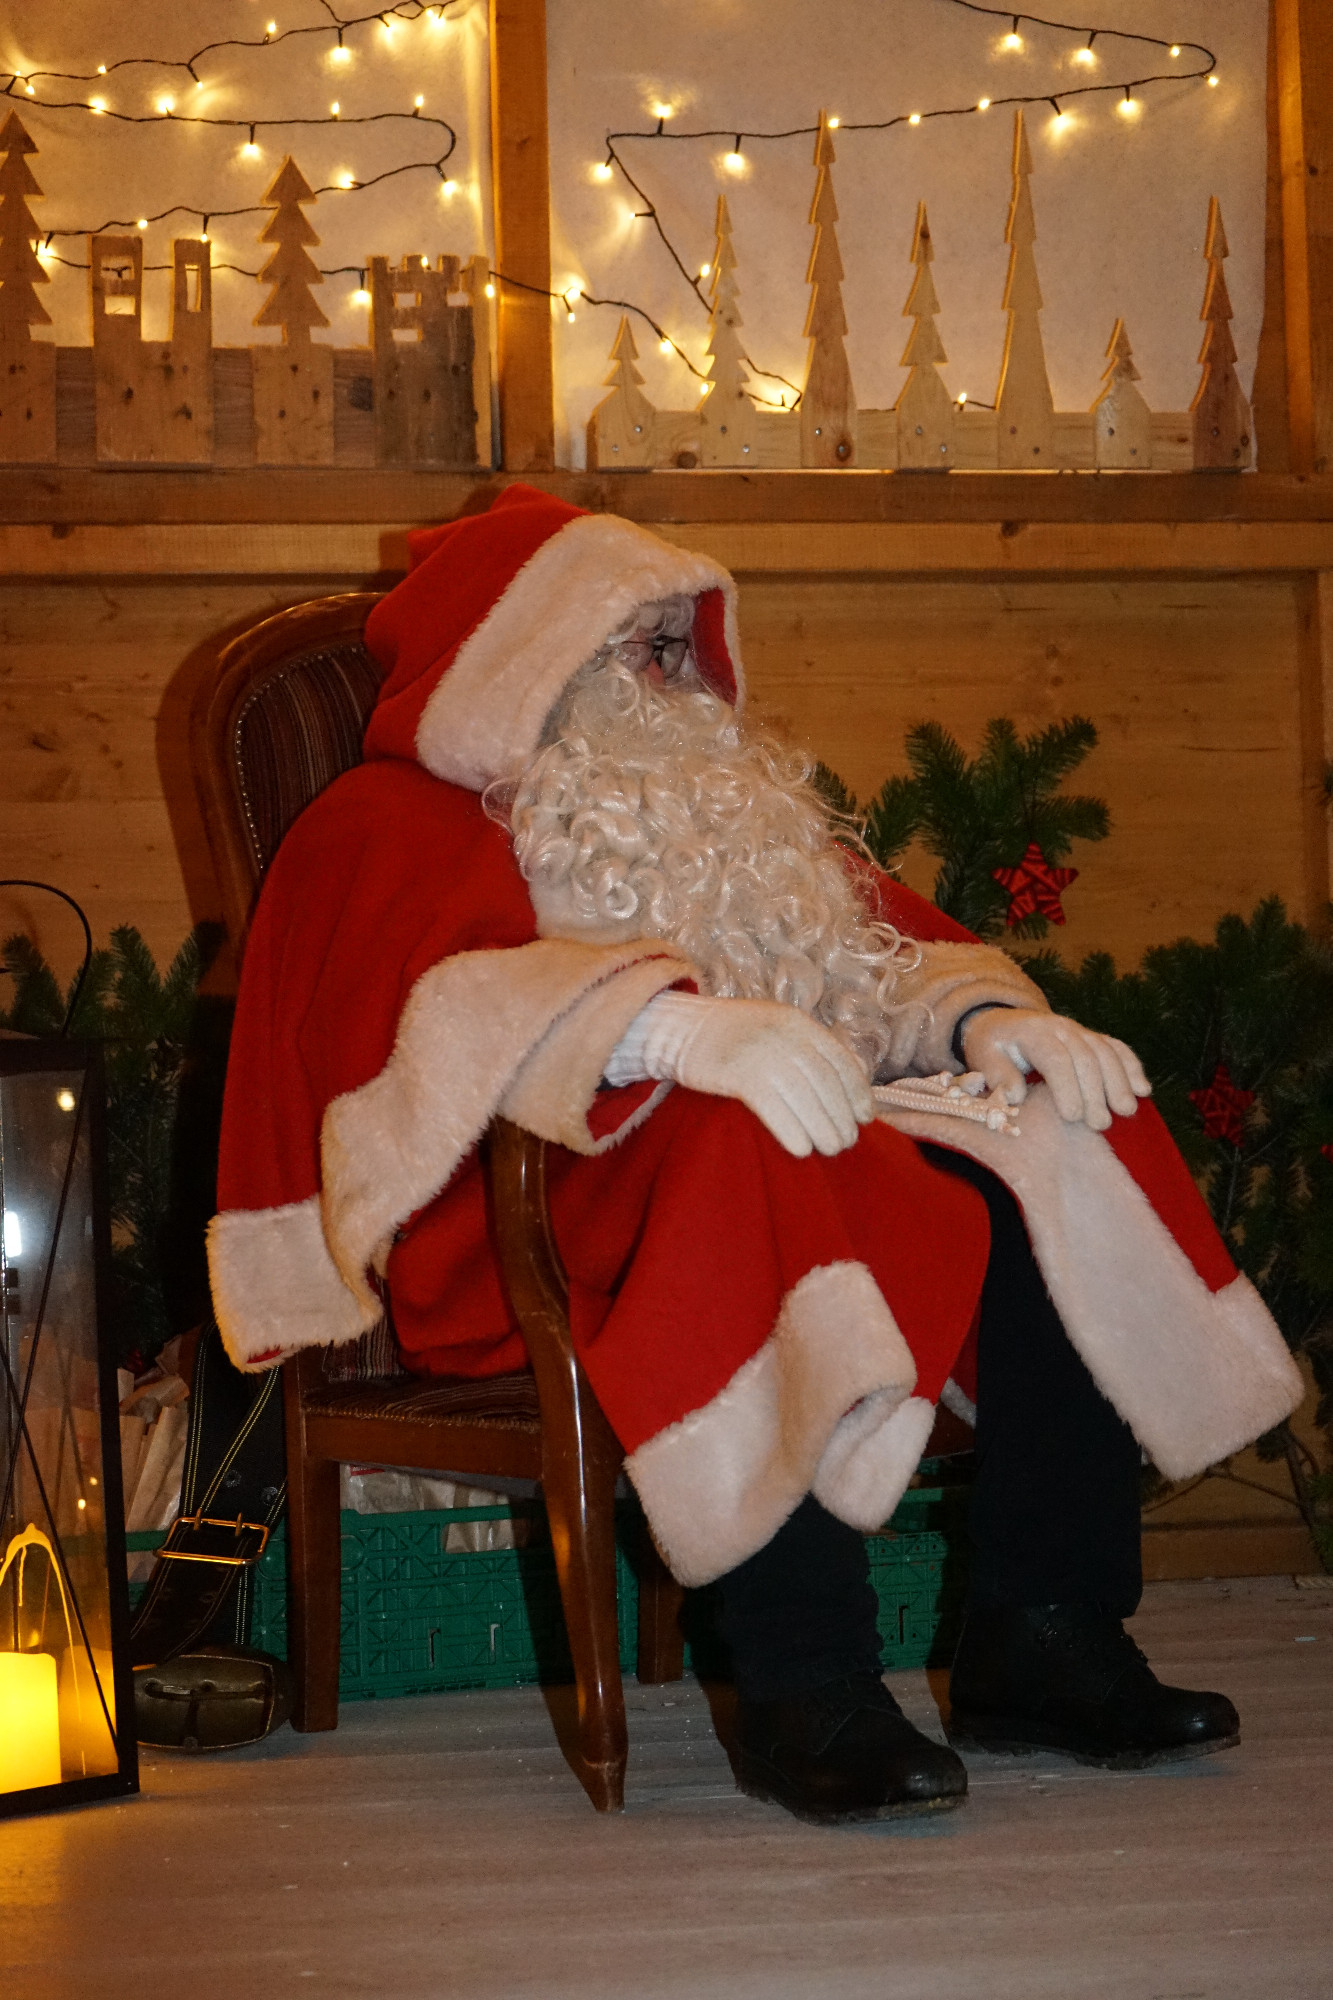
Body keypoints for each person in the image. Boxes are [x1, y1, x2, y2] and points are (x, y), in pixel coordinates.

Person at [209, 485, 1301, 1824]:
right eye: (635, 644)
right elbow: (411, 1018)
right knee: (748, 1141)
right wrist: (664, 1034)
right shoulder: (384, 821)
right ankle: (807, 1684)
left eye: (679, 643)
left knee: (1047, 1126)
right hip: (525, 1228)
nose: (671, 676)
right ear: (527, 656)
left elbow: (877, 949)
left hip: (771, 1166)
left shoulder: (719, 812)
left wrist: (990, 1021)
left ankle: (1047, 1630)